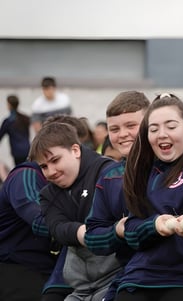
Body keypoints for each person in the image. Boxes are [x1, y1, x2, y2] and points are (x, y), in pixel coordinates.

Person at [116, 93, 183, 301]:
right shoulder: (143, 173)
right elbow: (132, 228)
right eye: (153, 129)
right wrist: (155, 225)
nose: (161, 134)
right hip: (139, 276)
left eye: (171, 127)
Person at [29, 122, 121, 301]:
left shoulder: (109, 172)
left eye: (55, 160)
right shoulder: (47, 195)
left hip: (117, 276)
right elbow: (57, 228)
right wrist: (87, 234)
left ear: (76, 150)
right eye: (44, 166)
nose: (51, 171)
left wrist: (78, 231)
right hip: (79, 285)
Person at [84, 91, 150, 300]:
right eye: (114, 129)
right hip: (127, 276)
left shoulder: (171, 169)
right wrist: (118, 231)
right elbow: (92, 235)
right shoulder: (110, 177)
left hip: (179, 276)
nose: (122, 134)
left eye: (131, 125)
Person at [0, 160, 57, 300]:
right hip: (17, 267)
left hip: (46, 270)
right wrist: (77, 231)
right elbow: (39, 220)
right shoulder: (26, 175)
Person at [0, 95, 31, 165]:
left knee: (19, 171)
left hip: (17, 152)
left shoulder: (8, 122)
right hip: (28, 149)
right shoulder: (25, 118)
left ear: (9, 105)